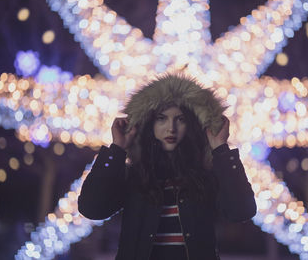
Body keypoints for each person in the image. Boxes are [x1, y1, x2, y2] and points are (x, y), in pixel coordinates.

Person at [78, 73, 256, 260]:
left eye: (180, 119)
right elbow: (92, 209)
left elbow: (242, 211)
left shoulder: (205, 176)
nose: (171, 128)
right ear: (149, 124)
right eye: (161, 118)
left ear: (192, 124)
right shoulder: (134, 176)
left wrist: (220, 150)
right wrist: (117, 149)